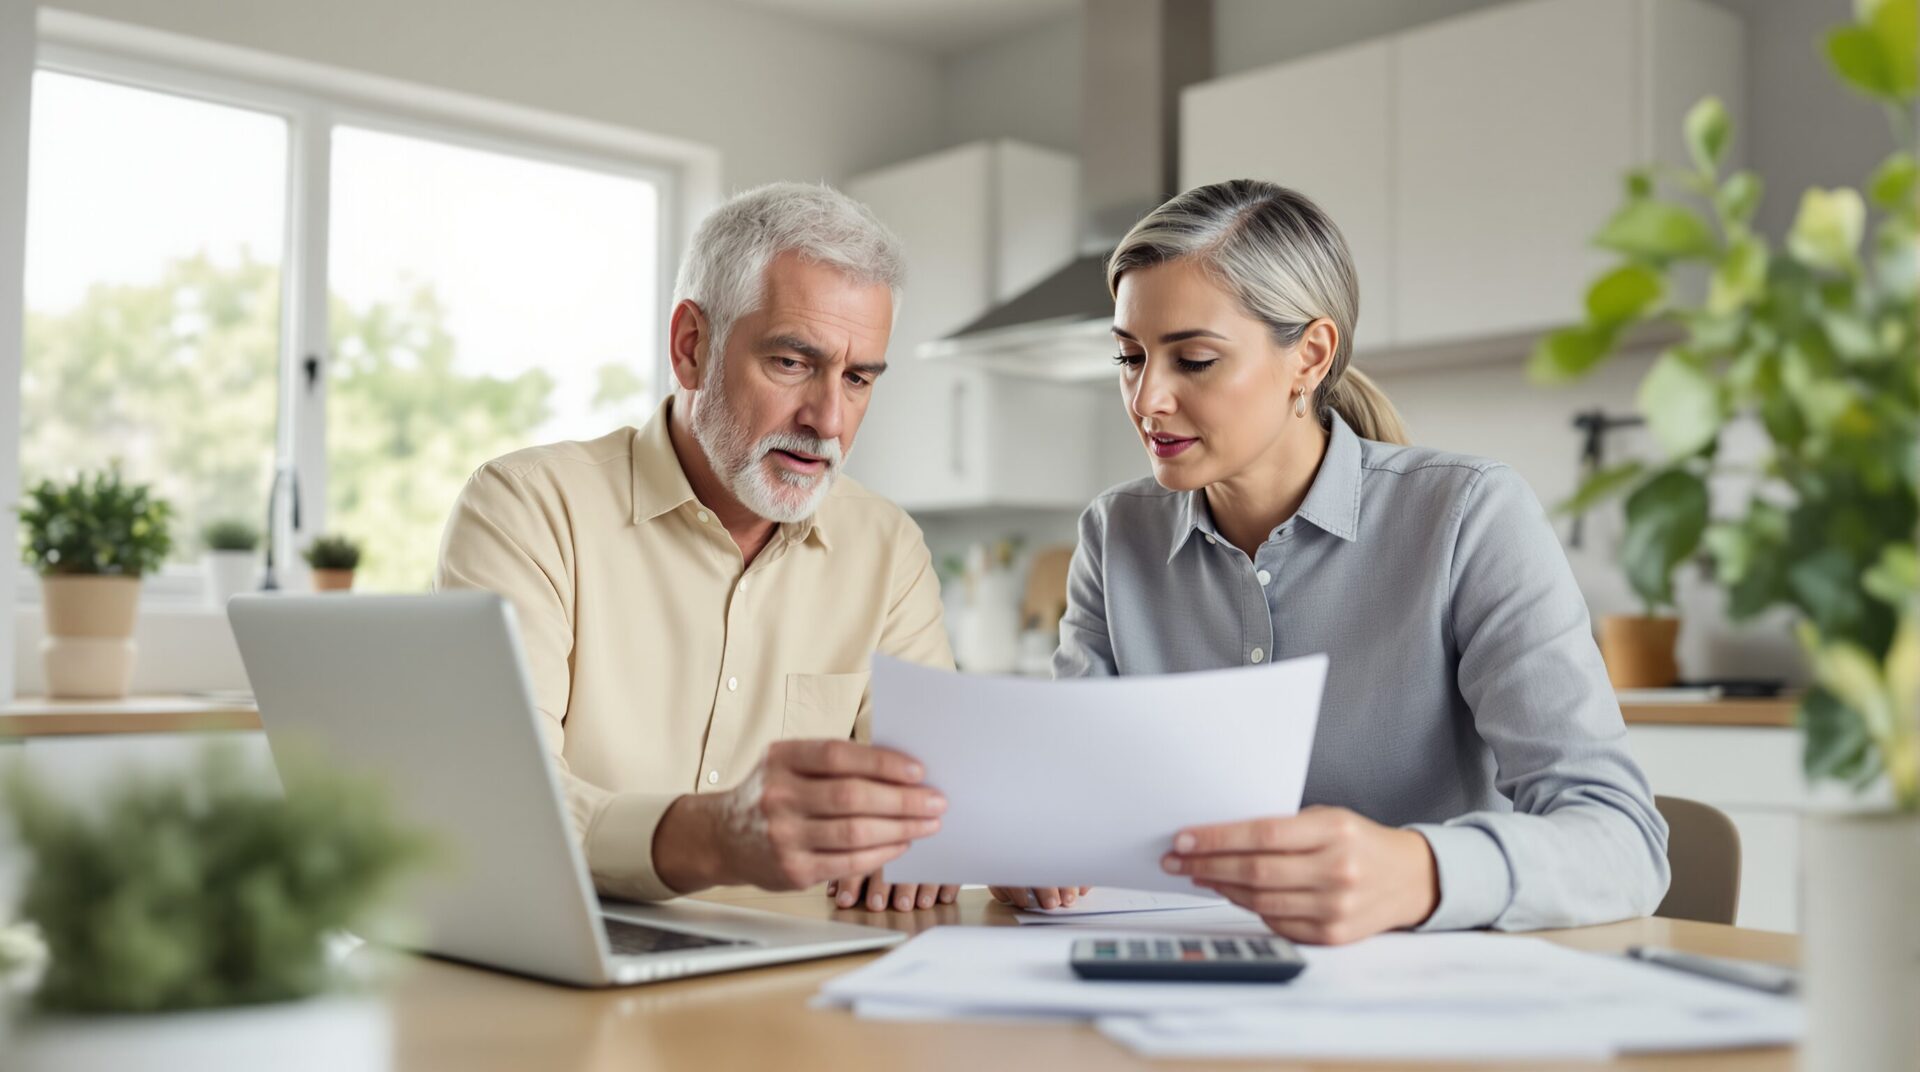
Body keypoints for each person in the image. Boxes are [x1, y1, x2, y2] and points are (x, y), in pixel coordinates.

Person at [1041, 179, 1669, 943]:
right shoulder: (1116, 536)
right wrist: (1031, 844)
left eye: (1195, 360)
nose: (1148, 400)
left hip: (1426, 1012)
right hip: (1186, 989)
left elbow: (1624, 843)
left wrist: (1418, 872)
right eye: (1130, 357)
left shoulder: (1469, 516)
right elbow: (1067, 795)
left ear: (1310, 355)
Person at [437, 182, 968, 913]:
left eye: (857, 379)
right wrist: (716, 838)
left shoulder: (887, 548)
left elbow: (932, 789)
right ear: (692, 347)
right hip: (579, 972)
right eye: (792, 363)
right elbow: (499, 794)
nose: (828, 420)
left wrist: (953, 833)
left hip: (808, 985)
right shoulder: (529, 509)